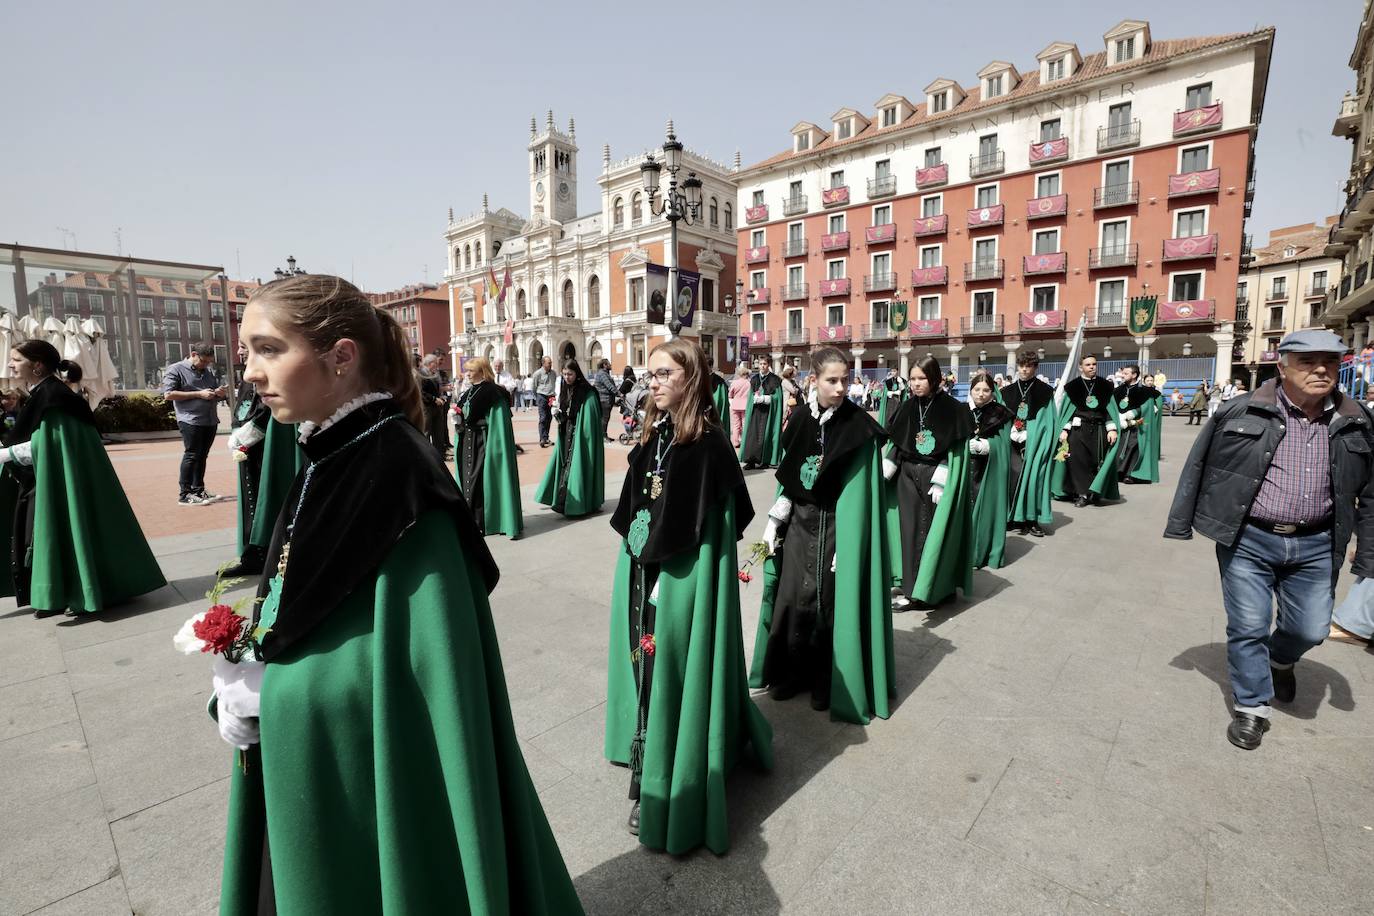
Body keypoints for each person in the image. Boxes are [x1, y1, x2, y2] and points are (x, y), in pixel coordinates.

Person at [212, 274, 583, 913]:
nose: (248, 371)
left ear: (341, 358)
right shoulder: (331, 453)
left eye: (268, 349)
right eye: (247, 351)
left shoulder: (399, 474)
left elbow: (423, 675)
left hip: (364, 777)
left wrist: (279, 691)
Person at [1165, 328, 1374, 751]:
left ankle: (1282, 658)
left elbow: (1370, 493)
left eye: (1330, 362)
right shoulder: (1241, 410)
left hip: (1317, 544)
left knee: (1311, 629)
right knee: (1247, 625)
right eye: (1308, 362)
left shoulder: (1356, 420)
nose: (1321, 370)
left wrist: (1367, 556)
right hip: (1249, 539)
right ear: (1282, 367)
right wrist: (1181, 522)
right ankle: (1252, 707)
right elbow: (1199, 465)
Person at [604, 338, 772, 853]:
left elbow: (720, 528)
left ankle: (654, 783)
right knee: (644, 670)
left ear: (689, 378)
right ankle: (645, 755)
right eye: (650, 374)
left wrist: (684, 579)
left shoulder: (710, 445)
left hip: (680, 580)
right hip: (640, 570)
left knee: (668, 673)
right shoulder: (653, 433)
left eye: (662, 374)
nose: (651, 382)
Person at [749, 346, 894, 721]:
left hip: (833, 524)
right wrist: (776, 518)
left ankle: (823, 682)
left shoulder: (858, 426)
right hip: (800, 523)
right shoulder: (799, 420)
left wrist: (849, 540)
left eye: (845, 380)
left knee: (828, 604)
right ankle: (789, 674)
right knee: (793, 597)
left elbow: (860, 492)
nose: (841, 387)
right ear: (812, 380)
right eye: (832, 380)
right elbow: (791, 474)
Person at [0, 340, 165, 618]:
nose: (10, 364)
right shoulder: (47, 393)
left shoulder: (53, 396)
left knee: (55, 532)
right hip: (46, 479)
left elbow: (49, 445)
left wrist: (6, 455)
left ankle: (73, 591)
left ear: (37, 365)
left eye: (16, 359)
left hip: (56, 481)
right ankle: (56, 593)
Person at [884, 356, 973, 611]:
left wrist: (944, 475)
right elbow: (899, 440)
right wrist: (890, 461)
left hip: (935, 476)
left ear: (934, 379)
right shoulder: (907, 406)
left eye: (921, 378)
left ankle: (938, 588)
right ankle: (913, 590)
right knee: (910, 530)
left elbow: (956, 447)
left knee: (936, 533)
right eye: (912, 379)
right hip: (908, 476)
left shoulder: (954, 409)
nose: (915, 384)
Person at [223, 345, 301, 577]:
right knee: (254, 496)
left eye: (245, 346)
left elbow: (267, 405)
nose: (239, 351)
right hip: (252, 440)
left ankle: (261, 553)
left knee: (262, 495)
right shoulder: (252, 369)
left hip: (267, 439)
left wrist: (253, 429)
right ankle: (256, 552)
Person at [453, 356, 523, 539]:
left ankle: (485, 521)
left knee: (479, 481)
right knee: (470, 481)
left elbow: (498, 423)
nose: (467, 374)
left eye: (470, 370)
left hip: (484, 443)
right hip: (468, 442)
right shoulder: (469, 391)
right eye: (466, 370)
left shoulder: (494, 392)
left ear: (481, 371)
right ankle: (473, 521)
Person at [535, 358, 605, 517]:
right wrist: (558, 415)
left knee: (575, 466)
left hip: (579, 433)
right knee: (566, 465)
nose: (567, 377)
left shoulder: (587, 391)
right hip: (567, 431)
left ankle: (574, 503)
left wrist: (581, 431)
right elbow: (566, 409)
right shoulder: (564, 387)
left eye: (570, 374)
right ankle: (564, 501)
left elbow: (589, 417)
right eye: (565, 374)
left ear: (577, 373)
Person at [162, 342, 228, 505]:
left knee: (202, 456)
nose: (206, 365)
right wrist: (199, 393)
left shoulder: (207, 371)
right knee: (191, 455)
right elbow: (168, 394)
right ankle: (185, 494)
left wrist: (218, 393)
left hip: (209, 419)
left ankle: (198, 490)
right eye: (204, 361)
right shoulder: (175, 369)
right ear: (193, 355)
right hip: (190, 420)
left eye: (208, 362)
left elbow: (211, 393)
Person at [1051, 355, 1121, 508]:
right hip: (1078, 429)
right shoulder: (1073, 386)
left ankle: (1094, 491)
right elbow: (1068, 411)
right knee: (1077, 460)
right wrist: (1064, 429)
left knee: (1095, 462)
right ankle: (1082, 493)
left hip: (1099, 429)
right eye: (1088, 364)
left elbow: (1109, 410)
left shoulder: (1105, 385)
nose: (1092, 367)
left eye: (1094, 364)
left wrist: (1112, 428)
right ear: (1080, 367)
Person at [1001, 353, 1056, 538]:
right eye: (1022, 365)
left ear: (1035, 367)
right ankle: (1013, 518)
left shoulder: (1045, 391)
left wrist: (1032, 435)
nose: (1024, 369)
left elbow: (1048, 422)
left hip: (1034, 444)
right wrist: (1010, 432)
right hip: (1011, 443)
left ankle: (1031, 520)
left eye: (1029, 366)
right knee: (1012, 478)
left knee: (1034, 479)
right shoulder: (1007, 392)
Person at [966, 372, 1012, 569]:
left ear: (992, 392)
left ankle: (979, 552)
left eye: (986, 390)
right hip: (965, 467)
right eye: (977, 390)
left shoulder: (1001, 413)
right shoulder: (961, 411)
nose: (981, 394)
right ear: (971, 390)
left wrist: (989, 446)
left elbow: (1004, 444)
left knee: (982, 508)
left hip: (987, 469)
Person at [1113, 365, 1157, 485]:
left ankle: (1130, 474)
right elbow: (1113, 405)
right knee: (1120, 447)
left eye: (1126, 373)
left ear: (1134, 375)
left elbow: (1147, 406)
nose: (1123, 375)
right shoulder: (1118, 390)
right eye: (1123, 373)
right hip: (1121, 425)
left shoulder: (1144, 391)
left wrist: (1132, 413)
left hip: (1136, 425)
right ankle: (1119, 472)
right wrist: (1118, 415)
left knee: (1133, 447)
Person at [739, 356, 784, 469]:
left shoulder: (775, 379)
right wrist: (753, 400)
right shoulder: (754, 379)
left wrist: (766, 399)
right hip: (756, 412)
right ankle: (751, 461)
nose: (762, 366)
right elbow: (750, 397)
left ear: (768, 365)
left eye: (764, 364)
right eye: (760, 364)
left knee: (766, 435)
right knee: (752, 436)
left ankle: (765, 460)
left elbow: (777, 398)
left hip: (768, 413)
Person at [417, 353, 449, 459]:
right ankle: (426, 457)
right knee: (426, 432)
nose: (437, 365)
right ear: (430, 363)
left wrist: (441, 397)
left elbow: (437, 389)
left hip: (437, 407)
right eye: (435, 363)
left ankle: (440, 455)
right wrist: (434, 399)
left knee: (438, 432)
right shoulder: (421, 374)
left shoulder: (434, 374)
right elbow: (421, 392)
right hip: (427, 408)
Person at [591, 358, 619, 443]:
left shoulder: (604, 374)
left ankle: (604, 435)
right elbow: (609, 386)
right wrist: (619, 393)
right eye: (608, 364)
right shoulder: (602, 374)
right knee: (604, 419)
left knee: (605, 419)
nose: (610, 365)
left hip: (607, 400)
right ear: (604, 365)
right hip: (604, 400)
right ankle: (602, 436)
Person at [532, 355, 557, 447]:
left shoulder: (554, 373)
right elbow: (534, 387)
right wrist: (537, 398)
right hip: (541, 396)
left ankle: (546, 437)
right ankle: (542, 438)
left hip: (551, 397)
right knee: (543, 417)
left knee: (549, 417)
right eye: (549, 363)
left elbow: (554, 384)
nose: (550, 364)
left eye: (551, 363)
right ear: (543, 363)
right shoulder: (537, 374)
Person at [728, 363, 751, 446]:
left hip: (735, 405)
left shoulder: (734, 383)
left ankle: (736, 442)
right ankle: (745, 441)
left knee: (736, 425)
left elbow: (730, 394)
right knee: (745, 424)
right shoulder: (749, 383)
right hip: (745, 406)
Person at [706, 355, 731, 425]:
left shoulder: (719, 382)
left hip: (714, 417)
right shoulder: (698, 379)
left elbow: (721, 402)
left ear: (710, 367)